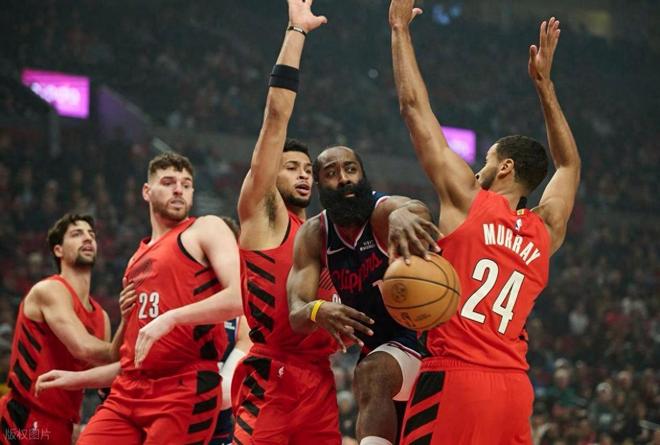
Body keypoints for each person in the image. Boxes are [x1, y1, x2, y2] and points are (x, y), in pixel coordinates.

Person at [389, 2, 581, 443]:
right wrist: (545, 88)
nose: (477, 171)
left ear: (506, 167)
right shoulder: (546, 230)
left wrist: (399, 29)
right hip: (513, 389)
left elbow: (414, 108)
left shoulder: (468, 200)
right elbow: (569, 165)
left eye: (486, 161)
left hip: (456, 379)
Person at [45, 153, 243, 444]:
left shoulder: (206, 228)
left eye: (186, 184)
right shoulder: (135, 261)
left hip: (184, 386)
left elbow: (240, 297)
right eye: (169, 182)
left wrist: (171, 318)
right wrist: (75, 379)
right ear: (147, 192)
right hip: (129, 389)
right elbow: (131, 359)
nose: (179, 189)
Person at [229, 0, 341, 443]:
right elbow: (276, 117)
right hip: (271, 376)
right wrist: (297, 33)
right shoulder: (263, 214)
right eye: (291, 167)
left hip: (320, 380)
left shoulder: (321, 236)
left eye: (308, 169)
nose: (304, 174)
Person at [287, 145, 440, 445]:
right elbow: (296, 313)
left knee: (373, 373)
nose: (344, 179)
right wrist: (317, 309)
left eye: (351, 169)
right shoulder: (314, 234)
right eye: (331, 173)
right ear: (319, 184)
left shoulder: (382, 214)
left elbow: (415, 208)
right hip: (379, 349)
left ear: (363, 175)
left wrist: (404, 214)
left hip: (423, 340)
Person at [0, 213, 133, 445]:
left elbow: (105, 376)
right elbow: (83, 348)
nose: (87, 238)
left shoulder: (101, 316)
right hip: (24, 420)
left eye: (91, 234)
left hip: (63, 426)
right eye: (77, 234)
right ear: (58, 250)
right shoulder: (49, 290)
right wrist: (128, 330)